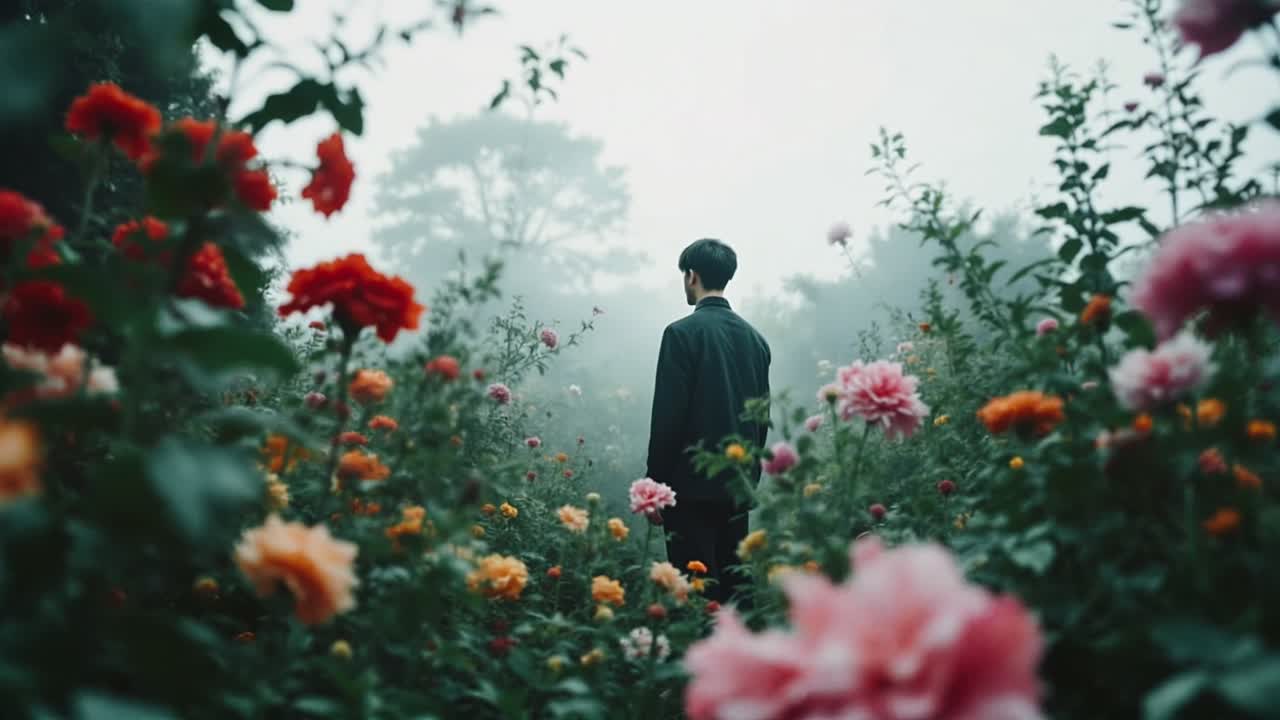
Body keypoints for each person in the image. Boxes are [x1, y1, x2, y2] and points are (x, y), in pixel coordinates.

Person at [645, 238, 771, 605]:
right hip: (737, 489)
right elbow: (760, 421)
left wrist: (655, 485)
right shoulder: (756, 341)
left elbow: (668, 417)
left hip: (689, 491)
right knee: (735, 598)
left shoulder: (680, 334)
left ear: (691, 275)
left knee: (695, 599)